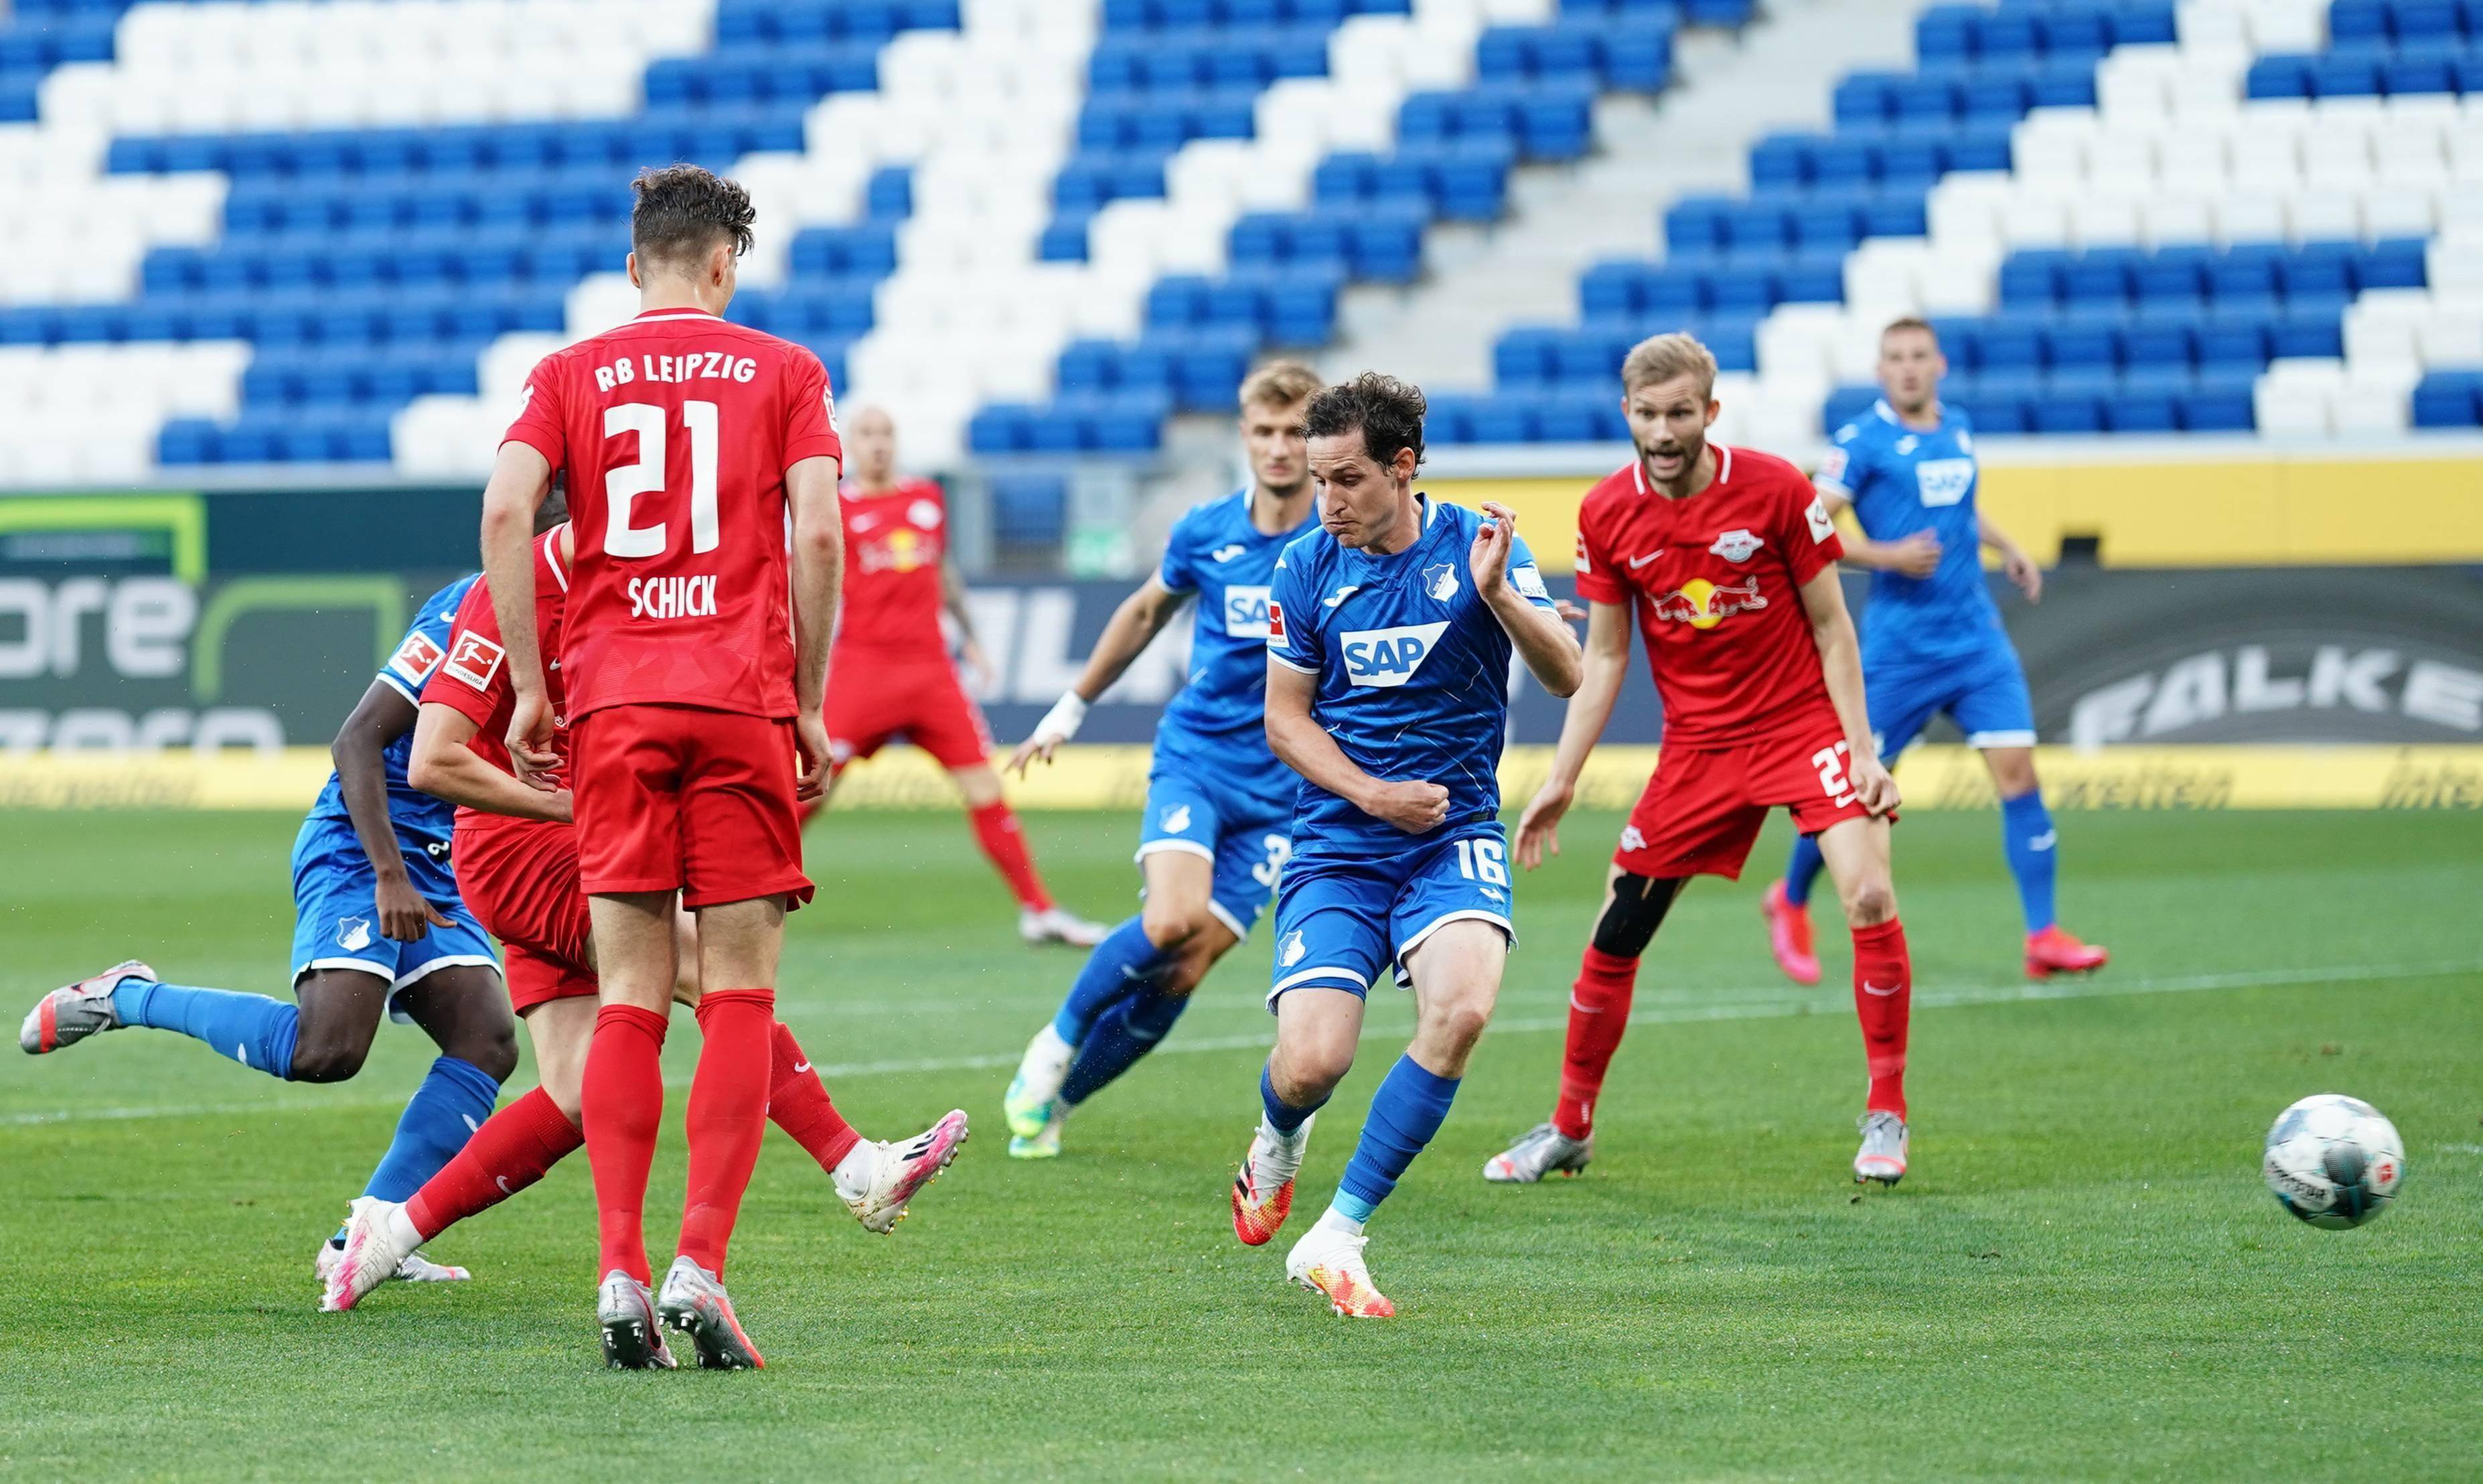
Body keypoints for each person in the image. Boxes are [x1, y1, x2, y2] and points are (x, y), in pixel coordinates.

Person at [321, 515, 967, 1319]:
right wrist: (568, 806)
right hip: (526, 846)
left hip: (591, 834)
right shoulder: (509, 595)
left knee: (573, 1095)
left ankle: (383, 1236)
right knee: (695, 962)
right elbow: (432, 759)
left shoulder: (646, 587)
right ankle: (854, 1164)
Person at [479, 163, 840, 1370]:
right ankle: (701, 1260)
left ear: (636, 265)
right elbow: (823, 530)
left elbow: (504, 516)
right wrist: (808, 702)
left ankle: (619, 1275)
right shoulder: (785, 371)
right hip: (737, 697)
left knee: (630, 994)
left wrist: (535, 687)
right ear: (725, 266)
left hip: (617, 705)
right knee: (736, 991)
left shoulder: (568, 373)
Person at [1484, 332, 1918, 1190]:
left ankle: (1887, 1111)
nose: (1663, 428)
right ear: (1627, 416)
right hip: (1700, 748)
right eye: (1648, 413)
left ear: (1709, 412)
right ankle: (1570, 1127)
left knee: (1867, 891)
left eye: (1680, 411)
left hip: (1804, 727)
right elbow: (1605, 658)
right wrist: (1562, 778)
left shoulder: (1778, 490)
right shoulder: (1607, 512)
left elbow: (1833, 626)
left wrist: (1864, 752)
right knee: (1617, 929)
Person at [21, 573, 514, 1294]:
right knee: (326, 1050)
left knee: (486, 1040)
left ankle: (371, 1233)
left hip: (439, 858)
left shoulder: (579, 604)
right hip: (362, 845)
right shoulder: (470, 608)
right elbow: (356, 741)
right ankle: (128, 995)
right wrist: (387, 873)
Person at [1227, 373, 1582, 1318]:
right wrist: (1374, 794)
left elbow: (1569, 672)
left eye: (1346, 480)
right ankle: (1279, 1133)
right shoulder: (1305, 567)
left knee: (1462, 1011)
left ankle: (1338, 1234)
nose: (1327, 501)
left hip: (1453, 833)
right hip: (1342, 843)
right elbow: (1285, 722)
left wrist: (1500, 595)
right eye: (1317, 480)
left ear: (1404, 466)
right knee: (1312, 1064)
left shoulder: (1480, 543)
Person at [996, 362, 1323, 1159]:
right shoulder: (1208, 530)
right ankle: (1054, 1045)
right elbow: (1145, 610)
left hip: (1286, 786)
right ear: (1243, 435)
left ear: (1316, 442)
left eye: (1294, 433)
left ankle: (1060, 1104)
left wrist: (1511, 608)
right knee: (1171, 917)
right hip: (1200, 756)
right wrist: (1069, 709)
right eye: (1265, 431)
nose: (1279, 448)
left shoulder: (1340, 540)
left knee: (1185, 966)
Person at [1762, 317, 2107, 984]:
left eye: (1919, 356)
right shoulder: (1860, 442)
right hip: (1900, 651)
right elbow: (1806, 528)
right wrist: (1886, 554)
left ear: (1939, 364)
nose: (1909, 367)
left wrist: (2005, 547)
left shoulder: (1958, 426)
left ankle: (2042, 934)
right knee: (1852, 795)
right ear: (1880, 368)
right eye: (1896, 357)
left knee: (2019, 775)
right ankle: (1791, 897)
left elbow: (1959, 505)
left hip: (1976, 640)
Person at [808, 404, 1102, 947]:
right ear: (849, 443)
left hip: (931, 673)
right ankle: (740, 893)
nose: (878, 444)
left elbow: (942, 570)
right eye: (867, 434)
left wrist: (972, 637)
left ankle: (1038, 910)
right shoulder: (836, 508)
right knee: (809, 789)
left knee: (985, 787)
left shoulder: (925, 499)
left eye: (886, 433)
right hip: (863, 670)